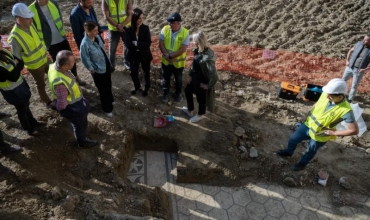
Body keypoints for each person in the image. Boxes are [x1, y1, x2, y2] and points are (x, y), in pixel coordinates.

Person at [276, 78, 359, 171]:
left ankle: (302, 164)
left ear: (339, 97)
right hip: (308, 125)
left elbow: (354, 130)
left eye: (330, 96)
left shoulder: (346, 110)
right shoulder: (326, 93)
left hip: (320, 134)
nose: (327, 97)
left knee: (310, 151)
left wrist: (334, 133)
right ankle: (289, 152)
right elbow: (318, 103)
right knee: (293, 139)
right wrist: (308, 113)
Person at [28, 0, 86, 86]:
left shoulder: (53, 3)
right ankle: (66, 82)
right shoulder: (31, 9)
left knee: (71, 59)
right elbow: (33, 28)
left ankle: (76, 77)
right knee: (60, 64)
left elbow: (60, 19)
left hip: (61, 37)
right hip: (50, 43)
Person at [48, 50, 97, 148]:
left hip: (77, 104)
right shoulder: (60, 83)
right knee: (79, 126)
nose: (75, 63)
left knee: (80, 122)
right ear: (65, 66)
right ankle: (82, 142)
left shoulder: (53, 66)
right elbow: (62, 105)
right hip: (74, 108)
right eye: (73, 62)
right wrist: (54, 105)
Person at [8, 3, 53, 107]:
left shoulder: (30, 24)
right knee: (41, 85)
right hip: (35, 66)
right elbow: (16, 58)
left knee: (55, 76)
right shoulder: (15, 37)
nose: (31, 20)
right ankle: (47, 102)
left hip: (44, 59)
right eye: (27, 18)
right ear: (19, 18)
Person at [0, 35, 43, 136]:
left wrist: (16, 67)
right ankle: (29, 129)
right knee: (22, 110)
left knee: (26, 106)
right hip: (12, 92)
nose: (2, 43)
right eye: (0, 42)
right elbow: (13, 76)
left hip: (20, 87)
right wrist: (16, 66)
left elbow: (20, 63)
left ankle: (33, 122)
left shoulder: (4, 52)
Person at [80, 21, 114, 117]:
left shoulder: (97, 37)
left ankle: (111, 99)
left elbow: (102, 48)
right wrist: (91, 68)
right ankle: (107, 108)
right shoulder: (84, 44)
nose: (97, 32)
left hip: (105, 64)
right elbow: (84, 58)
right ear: (88, 31)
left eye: (97, 29)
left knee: (108, 83)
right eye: (95, 30)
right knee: (103, 90)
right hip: (98, 70)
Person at [182, 31, 218, 123]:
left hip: (202, 81)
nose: (193, 42)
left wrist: (208, 85)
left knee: (201, 99)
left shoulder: (207, 57)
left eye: (194, 41)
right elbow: (194, 65)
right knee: (187, 90)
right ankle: (190, 110)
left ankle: (200, 115)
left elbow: (214, 75)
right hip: (194, 78)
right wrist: (190, 75)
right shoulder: (198, 50)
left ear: (199, 42)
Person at [159, 12, 189, 102]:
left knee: (178, 79)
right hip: (166, 61)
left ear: (178, 23)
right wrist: (167, 56)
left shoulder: (185, 32)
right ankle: (165, 93)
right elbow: (161, 44)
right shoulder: (165, 29)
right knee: (165, 78)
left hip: (178, 63)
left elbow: (183, 49)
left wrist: (171, 56)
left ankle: (178, 94)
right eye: (169, 23)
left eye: (172, 23)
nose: (170, 25)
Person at [125, 8, 152, 97]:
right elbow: (128, 44)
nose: (141, 20)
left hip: (144, 54)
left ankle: (146, 87)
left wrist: (137, 43)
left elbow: (148, 43)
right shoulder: (128, 30)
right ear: (134, 18)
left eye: (142, 18)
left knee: (146, 72)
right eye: (139, 18)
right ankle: (137, 87)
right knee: (133, 72)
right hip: (133, 54)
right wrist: (139, 45)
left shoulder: (146, 28)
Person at [102, 0, 133, 71]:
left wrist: (122, 25)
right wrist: (117, 26)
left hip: (126, 27)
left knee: (127, 46)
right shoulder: (106, 1)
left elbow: (130, 15)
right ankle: (111, 65)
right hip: (113, 29)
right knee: (112, 48)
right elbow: (106, 16)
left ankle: (126, 62)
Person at [342, 34, 370, 103]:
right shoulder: (359, 44)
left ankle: (349, 100)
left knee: (354, 86)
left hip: (359, 71)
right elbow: (350, 51)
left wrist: (365, 69)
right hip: (349, 67)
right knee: (342, 81)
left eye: (366, 40)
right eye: (364, 39)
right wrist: (347, 60)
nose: (364, 41)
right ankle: (339, 95)